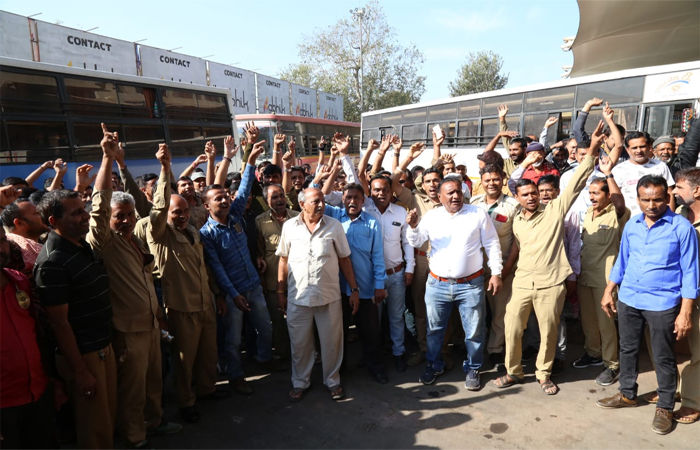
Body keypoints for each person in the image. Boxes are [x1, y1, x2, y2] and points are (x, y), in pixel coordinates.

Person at [86, 125, 180, 447]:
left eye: (129, 214)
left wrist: (166, 169)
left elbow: (159, 210)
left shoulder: (136, 236)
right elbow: (99, 206)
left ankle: (154, 422)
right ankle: (134, 436)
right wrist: (107, 158)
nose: (125, 220)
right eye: (119, 216)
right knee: (133, 388)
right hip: (127, 331)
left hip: (150, 325)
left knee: (154, 381)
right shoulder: (104, 242)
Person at [495, 120, 603, 396]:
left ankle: (543, 374)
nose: (532, 198)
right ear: (517, 197)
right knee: (512, 328)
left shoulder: (555, 210)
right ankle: (513, 371)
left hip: (551, 284)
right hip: (522, 283)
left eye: (534, 193)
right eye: (526, 194)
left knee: (549, 332)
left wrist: (592, 149)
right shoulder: (517, 219)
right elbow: (516, 247)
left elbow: (576, 183)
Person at [596, 175, 698, 436]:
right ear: (638, 199)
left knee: (663, 356)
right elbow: (622, 260)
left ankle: (665, 406)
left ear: (667, 197)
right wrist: (609, 290)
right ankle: (627, 393)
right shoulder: (632, 225)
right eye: (645, 200)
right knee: (627, 349)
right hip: (629, 298)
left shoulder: (681, 228)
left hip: (662, 302)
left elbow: (690, 272)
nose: (651, 205)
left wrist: (685, 312)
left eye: (657, 200)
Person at [135, 143, 224, 424]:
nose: (182, 216)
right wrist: (165, 168)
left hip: (205, 303)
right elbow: (159, 207)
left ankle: (207, 389)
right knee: (185, 359)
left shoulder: (193, 232)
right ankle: (186, 402)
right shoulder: (159, 234)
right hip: (181, 308)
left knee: (208, 353)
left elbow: (203, 267)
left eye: (184, 211)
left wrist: (216, 295)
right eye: (176, 212)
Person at [34, 188, 116, 449]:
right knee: (94, 428)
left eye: (84, 209)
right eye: (77, 213)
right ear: (53, 221)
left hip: (102, 346)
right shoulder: (52, 263)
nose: (86, 216)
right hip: (84, 356)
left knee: (106, 422)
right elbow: (59, 323)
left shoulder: (80, 246)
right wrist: (80, 371)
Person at [406, 175, 502, 390]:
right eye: (450, 193)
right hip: (437, 285)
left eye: (458, 191)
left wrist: (496, 273)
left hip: (470, 285)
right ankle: (434, 364)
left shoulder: (477, 214)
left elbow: (492, 243)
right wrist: (412, 227)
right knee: (434, 330)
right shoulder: (432, 217)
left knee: (474, 331)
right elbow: (417, 241)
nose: (455, 196)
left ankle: (473, 368)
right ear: (440, 197)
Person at [200, 138, 277, 395]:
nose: (224, 201)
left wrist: (250, 159)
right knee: (232, 340)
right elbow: (217, 268)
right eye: (218, 199)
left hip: (253, 286)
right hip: (234, 295)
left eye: (225, 196)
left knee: (265, 328)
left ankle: (264, 359)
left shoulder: (235, 216)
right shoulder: (207, 234)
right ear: (206, 206)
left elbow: (243, 190)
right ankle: (236, 376)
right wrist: (234, 295)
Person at [276, 187, 360, 402]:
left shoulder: (334, 226)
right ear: (302, 205)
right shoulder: (289, 227)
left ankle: (332, 380)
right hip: (298, 298)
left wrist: (354, 289)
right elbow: (283, 259)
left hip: (328, 296)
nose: (321, 205)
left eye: (322, 200)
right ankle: (300, 382)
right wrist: (280, 291)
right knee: (300, 344)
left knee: (332, 342)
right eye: (315, 201)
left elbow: (345, 260)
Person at [321, 181, 388, 383]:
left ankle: (374, 366)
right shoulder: (333, 216)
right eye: (348, 197)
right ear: (342, 199)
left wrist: (379, 285)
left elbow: (378, 256)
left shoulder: (372, 223)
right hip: (339, 289)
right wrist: (328, 173)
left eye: (356, 198)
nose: (352, 201)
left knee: (370, 332)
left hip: (366, 288)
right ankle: (339, 371)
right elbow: (315, 195)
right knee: (338, 333)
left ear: (363, 201)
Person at [574, 157, 630, 386]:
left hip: (605, 279)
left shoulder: (617, 213)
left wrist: (608, 174)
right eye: (590, 192)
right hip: (586, 275)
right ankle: (593, 353)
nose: (592, 197)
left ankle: (612, 364)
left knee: (606, 323)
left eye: (597, 193)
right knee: (588, 321)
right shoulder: (589, 212)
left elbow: (619, 202)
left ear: (608, 195)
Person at [0, 226, 56, 449]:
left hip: (38, 396)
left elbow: (39, 334)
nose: (0, 248)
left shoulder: (20, 282)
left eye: (1, 240)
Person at [393, 143, 444, 366]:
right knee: (421, 307)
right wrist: (407, 158)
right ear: (421, 184)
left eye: (436, 180)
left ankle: (444, 349)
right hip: (422, 260)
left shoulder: (453, 200)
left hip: (446, 260)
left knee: (446, 308)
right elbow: (393, 183)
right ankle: (425, 348)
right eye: (428, 181)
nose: (432, 185)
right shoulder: (414, 199)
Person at [363, 174, 415, 373]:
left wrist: (410, 268)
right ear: (370, 191)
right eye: (376, 189)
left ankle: (398, 353)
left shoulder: (401, 212)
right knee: (373, 320)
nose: (381, 193)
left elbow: (407, 242)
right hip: (371, 278)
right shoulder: (365, 210)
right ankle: (376, 358)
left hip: (396, 275)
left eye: (385, 189)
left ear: (391, 191)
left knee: (396, 317)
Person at [470, 164, 520, 367]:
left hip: (501, 269)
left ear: (503, 179)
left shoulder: (513, 205)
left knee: (500, 313)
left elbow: (517, 241)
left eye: (496, 179)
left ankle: (496, 350)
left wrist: (505, 270)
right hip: (474, 269)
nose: (492, 183)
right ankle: (474, 350)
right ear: (481, 182)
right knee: (475, 313)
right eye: (487, 180)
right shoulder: (473, 203)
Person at [668, 168, 700, 424]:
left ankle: (692, 402)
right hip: (678, 293)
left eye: (679, 187)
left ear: (696, 190)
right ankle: (676, 390)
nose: (674, 192)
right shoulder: (680, 214)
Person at [256, 183, 299, 361]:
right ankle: (283, 355)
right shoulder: (260, 222)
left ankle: (303, 354)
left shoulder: (298, 217)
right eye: (274, 197)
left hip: (298, 280)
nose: (280, 200)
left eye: (281, 195)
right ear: (266, 201)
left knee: (301, 321)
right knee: (278, 321)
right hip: (274, 281)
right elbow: (259, 251)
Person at [611, 131, 675, 216]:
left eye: (642, 147)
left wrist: (670, 217)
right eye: (634, 148)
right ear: (627, 149)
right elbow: (614, 197)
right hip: (628, 219)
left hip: (658, 219)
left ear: (649, 147)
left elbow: (670, 193)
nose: (639, 151)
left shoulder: (660, 166)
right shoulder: (618, 170)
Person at [1, 198, 49, 276]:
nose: (43, 215)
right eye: (36, 213)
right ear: (19, 223)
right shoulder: (11, 253)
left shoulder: (44, 243)